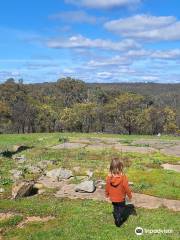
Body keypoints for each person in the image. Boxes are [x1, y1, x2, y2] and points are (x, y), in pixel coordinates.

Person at [105, 157, 136, 227]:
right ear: (121, 167)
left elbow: (107, 187)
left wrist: (107, 195)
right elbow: (126, 188)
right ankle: (118, 218)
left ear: (111, 167)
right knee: (121, 208)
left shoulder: (109, 178)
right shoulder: (123, 177)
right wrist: (129, 195)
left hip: (113, 198)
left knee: (115, 208)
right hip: (121, 197)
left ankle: (116, 216)